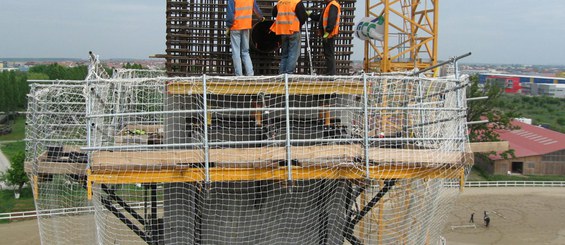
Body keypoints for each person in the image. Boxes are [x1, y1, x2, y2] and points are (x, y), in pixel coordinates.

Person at [226, 0, 265, 76]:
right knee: (245, 52)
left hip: (235, 27)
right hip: (246, 27)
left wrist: (228, 26)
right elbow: (256, 10)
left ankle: (239, 76)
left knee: (236, 52)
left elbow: (230, 14)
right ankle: (250, 74)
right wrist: (261, 17)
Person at [270, 0, 308, 74]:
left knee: (285, 54)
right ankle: (289, 74)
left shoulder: (280, 2)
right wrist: (299, 25)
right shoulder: (296, 2)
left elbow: (274, 13)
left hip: (283, 31)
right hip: (293, 30)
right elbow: (303, 17)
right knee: (293, 53)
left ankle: (282, 74)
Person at [308, 0, 341, 75]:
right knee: (328, 54)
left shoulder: (333, 5)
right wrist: (311, 15)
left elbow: (332, 19)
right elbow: (320, 17)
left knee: (329, 54)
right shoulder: (329, 6)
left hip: (329, 34)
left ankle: (331, 74)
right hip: (327, 34)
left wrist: (328, 32)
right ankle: (330, 73)